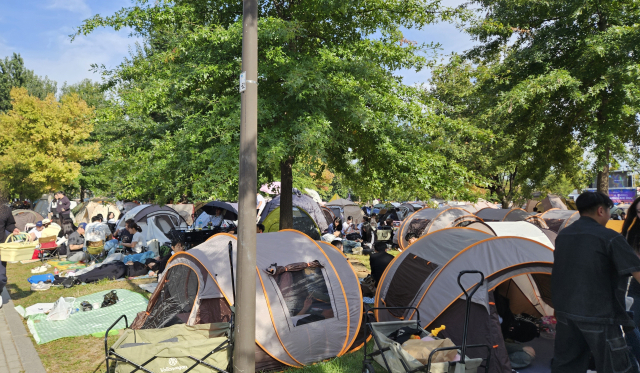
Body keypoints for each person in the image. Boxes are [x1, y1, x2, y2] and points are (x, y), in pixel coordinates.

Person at [551, 191, 640, 373]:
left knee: (567, 365)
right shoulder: (610, 237)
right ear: (601, 210)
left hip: (565, 311)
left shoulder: (564, 235)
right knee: (615, 367)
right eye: (609, 210)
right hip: (600, 315)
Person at [0, 199, 19, 309]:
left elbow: (9, 224)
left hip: (1, 247)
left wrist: (13, 229)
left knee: (1, 277)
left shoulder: (4, 209)